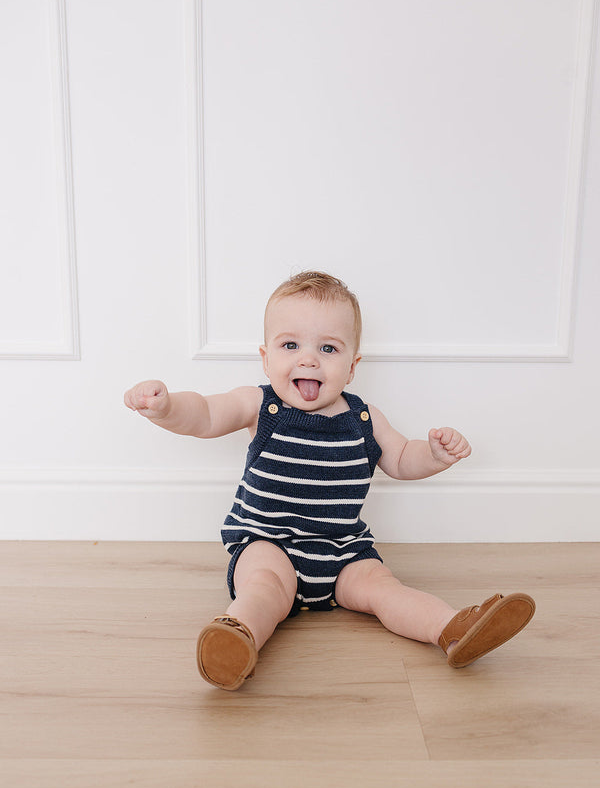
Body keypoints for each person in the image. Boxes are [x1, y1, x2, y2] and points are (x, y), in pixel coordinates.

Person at [124, 271, 535, 691]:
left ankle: (452, 628)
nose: (308, 359)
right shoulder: (260, 405)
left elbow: (399, 459)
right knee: (264, 587)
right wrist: (168, 407)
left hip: (342, 553)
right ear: (266, 358)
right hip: (269, 543)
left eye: (328, 348)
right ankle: (237, 637)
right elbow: (206, 414)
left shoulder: (364, 418)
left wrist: (432, 456)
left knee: (384, 589)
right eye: (290, 345)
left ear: (352, 367)